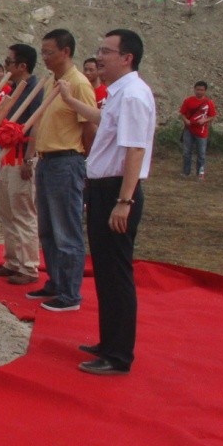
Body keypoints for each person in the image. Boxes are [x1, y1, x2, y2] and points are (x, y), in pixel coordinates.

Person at [67, 29, 156, 375]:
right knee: (104, 270)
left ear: (127, 58)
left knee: (116, 273)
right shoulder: (119, 93)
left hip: (118, 190)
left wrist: (124, 200)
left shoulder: (132, 95)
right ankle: (108, 343)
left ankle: (118, 355)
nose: (99, 57)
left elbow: (135, 149)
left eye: (106, 51)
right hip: (104, 189)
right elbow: (104, 122)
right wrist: (72, 101)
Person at [29, 29, 97, 313]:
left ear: (65, 52)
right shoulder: (53, 82)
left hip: (66, 161)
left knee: (66, 229)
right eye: (43, 52)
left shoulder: (78, 84)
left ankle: (70, 293)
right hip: (47, 160)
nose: (44, 57)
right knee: (47, 228)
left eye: (49, 52)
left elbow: (89, 126)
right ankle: (56, 281)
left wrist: (84, 162)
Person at [0, 44, 44, 286]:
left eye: (9, 62)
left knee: (22, 210)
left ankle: (28, 266)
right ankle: (12, 260)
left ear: (22, 66)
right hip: (6, 155)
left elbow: (36, 125)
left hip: (22, 157)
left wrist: (29, 158)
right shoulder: (12, 88)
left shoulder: (35, 89)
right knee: (6, 210)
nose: (5, 67)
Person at [179, 81, 217, 179]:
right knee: (187, 152)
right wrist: (186, 120)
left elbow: (212, 115)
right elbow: (182, 113)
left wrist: (205, 120)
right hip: (189, 129)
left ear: (205, 91)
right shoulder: (188, 100)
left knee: (201, 154)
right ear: (194, 89)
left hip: (202, 131)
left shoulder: (209, 102)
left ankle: (200, 174)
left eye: (202, 90)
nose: (199, 92)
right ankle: (186, 172)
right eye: (198, 89)